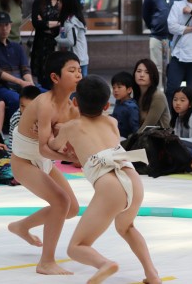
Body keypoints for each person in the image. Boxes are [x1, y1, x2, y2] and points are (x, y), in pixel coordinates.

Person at [48, 74, 161, 284]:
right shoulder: (112, 121)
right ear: (107, 105)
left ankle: (104, 264)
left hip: (110, 186)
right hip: (132, 177)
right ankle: (152, 274)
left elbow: (53, 146)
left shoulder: (71, 127)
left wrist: (55, 131)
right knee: (126, 227)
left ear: (74, 102)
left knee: (76, 246)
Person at [8, 51, 80, 275]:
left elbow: (67, 143)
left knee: (72, 208)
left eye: (79, 70)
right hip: (24, 161)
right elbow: (43, 148)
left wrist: (76, 153)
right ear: (55, 77)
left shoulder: (71, 108)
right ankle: (46, 262)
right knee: (61, 201)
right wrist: (71, 157)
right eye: (71, 70)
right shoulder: (45, 104)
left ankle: (22, 226)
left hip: (45, 160)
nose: (78, 74)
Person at [0, 11, 36, 132]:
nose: (4, 28)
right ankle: (13, 130)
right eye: (0, 25)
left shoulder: (17, 47)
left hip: (21, 85)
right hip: (0, 87)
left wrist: (30, 84)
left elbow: (25, 68)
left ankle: (39, 130)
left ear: (10, 26)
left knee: (44, 95)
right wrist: (21, 83)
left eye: (6, 25)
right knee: (16, 99)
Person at [142, 0, 185, 90]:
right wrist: (154, 26)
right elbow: (146, 14)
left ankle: (171, 93)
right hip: (156, 37)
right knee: (156, 68)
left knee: (172, 67)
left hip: (174, 38)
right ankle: (158, 94)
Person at [31, 0, 63, 86]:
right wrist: (58, 23)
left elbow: (66, 23)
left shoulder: (64, 3)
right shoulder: (38, 3)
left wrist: (45, 23)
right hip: (41, 47)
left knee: (59, 78)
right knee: (42, 80)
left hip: (58, 45)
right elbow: (36, 23)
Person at [56, 0, 89, 77]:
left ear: (67, 4)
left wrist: (57, 39)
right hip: (78, 59)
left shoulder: (72, 21)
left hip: (77, 61)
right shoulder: (72, 19)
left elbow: (71, 41)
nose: (58, 3)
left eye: (61, 1)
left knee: (79, 87)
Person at [132, 58, 170, 133]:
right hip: (143, 139)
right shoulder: (137, 95)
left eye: (147, 72)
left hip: (159, 140)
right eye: (139, 71)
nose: (142, 75)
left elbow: (146, 127)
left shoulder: (158, 96)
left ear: (153, 76)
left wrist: (128, 141)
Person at [7, 85, 41, 156]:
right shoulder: (16, 118)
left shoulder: (44, 115)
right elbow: (12, 142)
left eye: (29, 107)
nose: (25, 110)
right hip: (23, 150)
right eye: (22, 106)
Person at [110, 71, 139, 140]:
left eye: (119, 87)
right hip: (115, 134)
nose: (115, 90)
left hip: (125, 139)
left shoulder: (131, 107)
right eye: (114, 87)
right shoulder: (118, 101)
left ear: (129, 90)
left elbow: (135, 127)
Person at [169, 86, 192, 153]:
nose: (177, 103)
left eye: (182, 100)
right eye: (175, 100)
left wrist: (174, 138)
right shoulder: (178, 116)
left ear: (190, 104)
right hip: (185, 147)